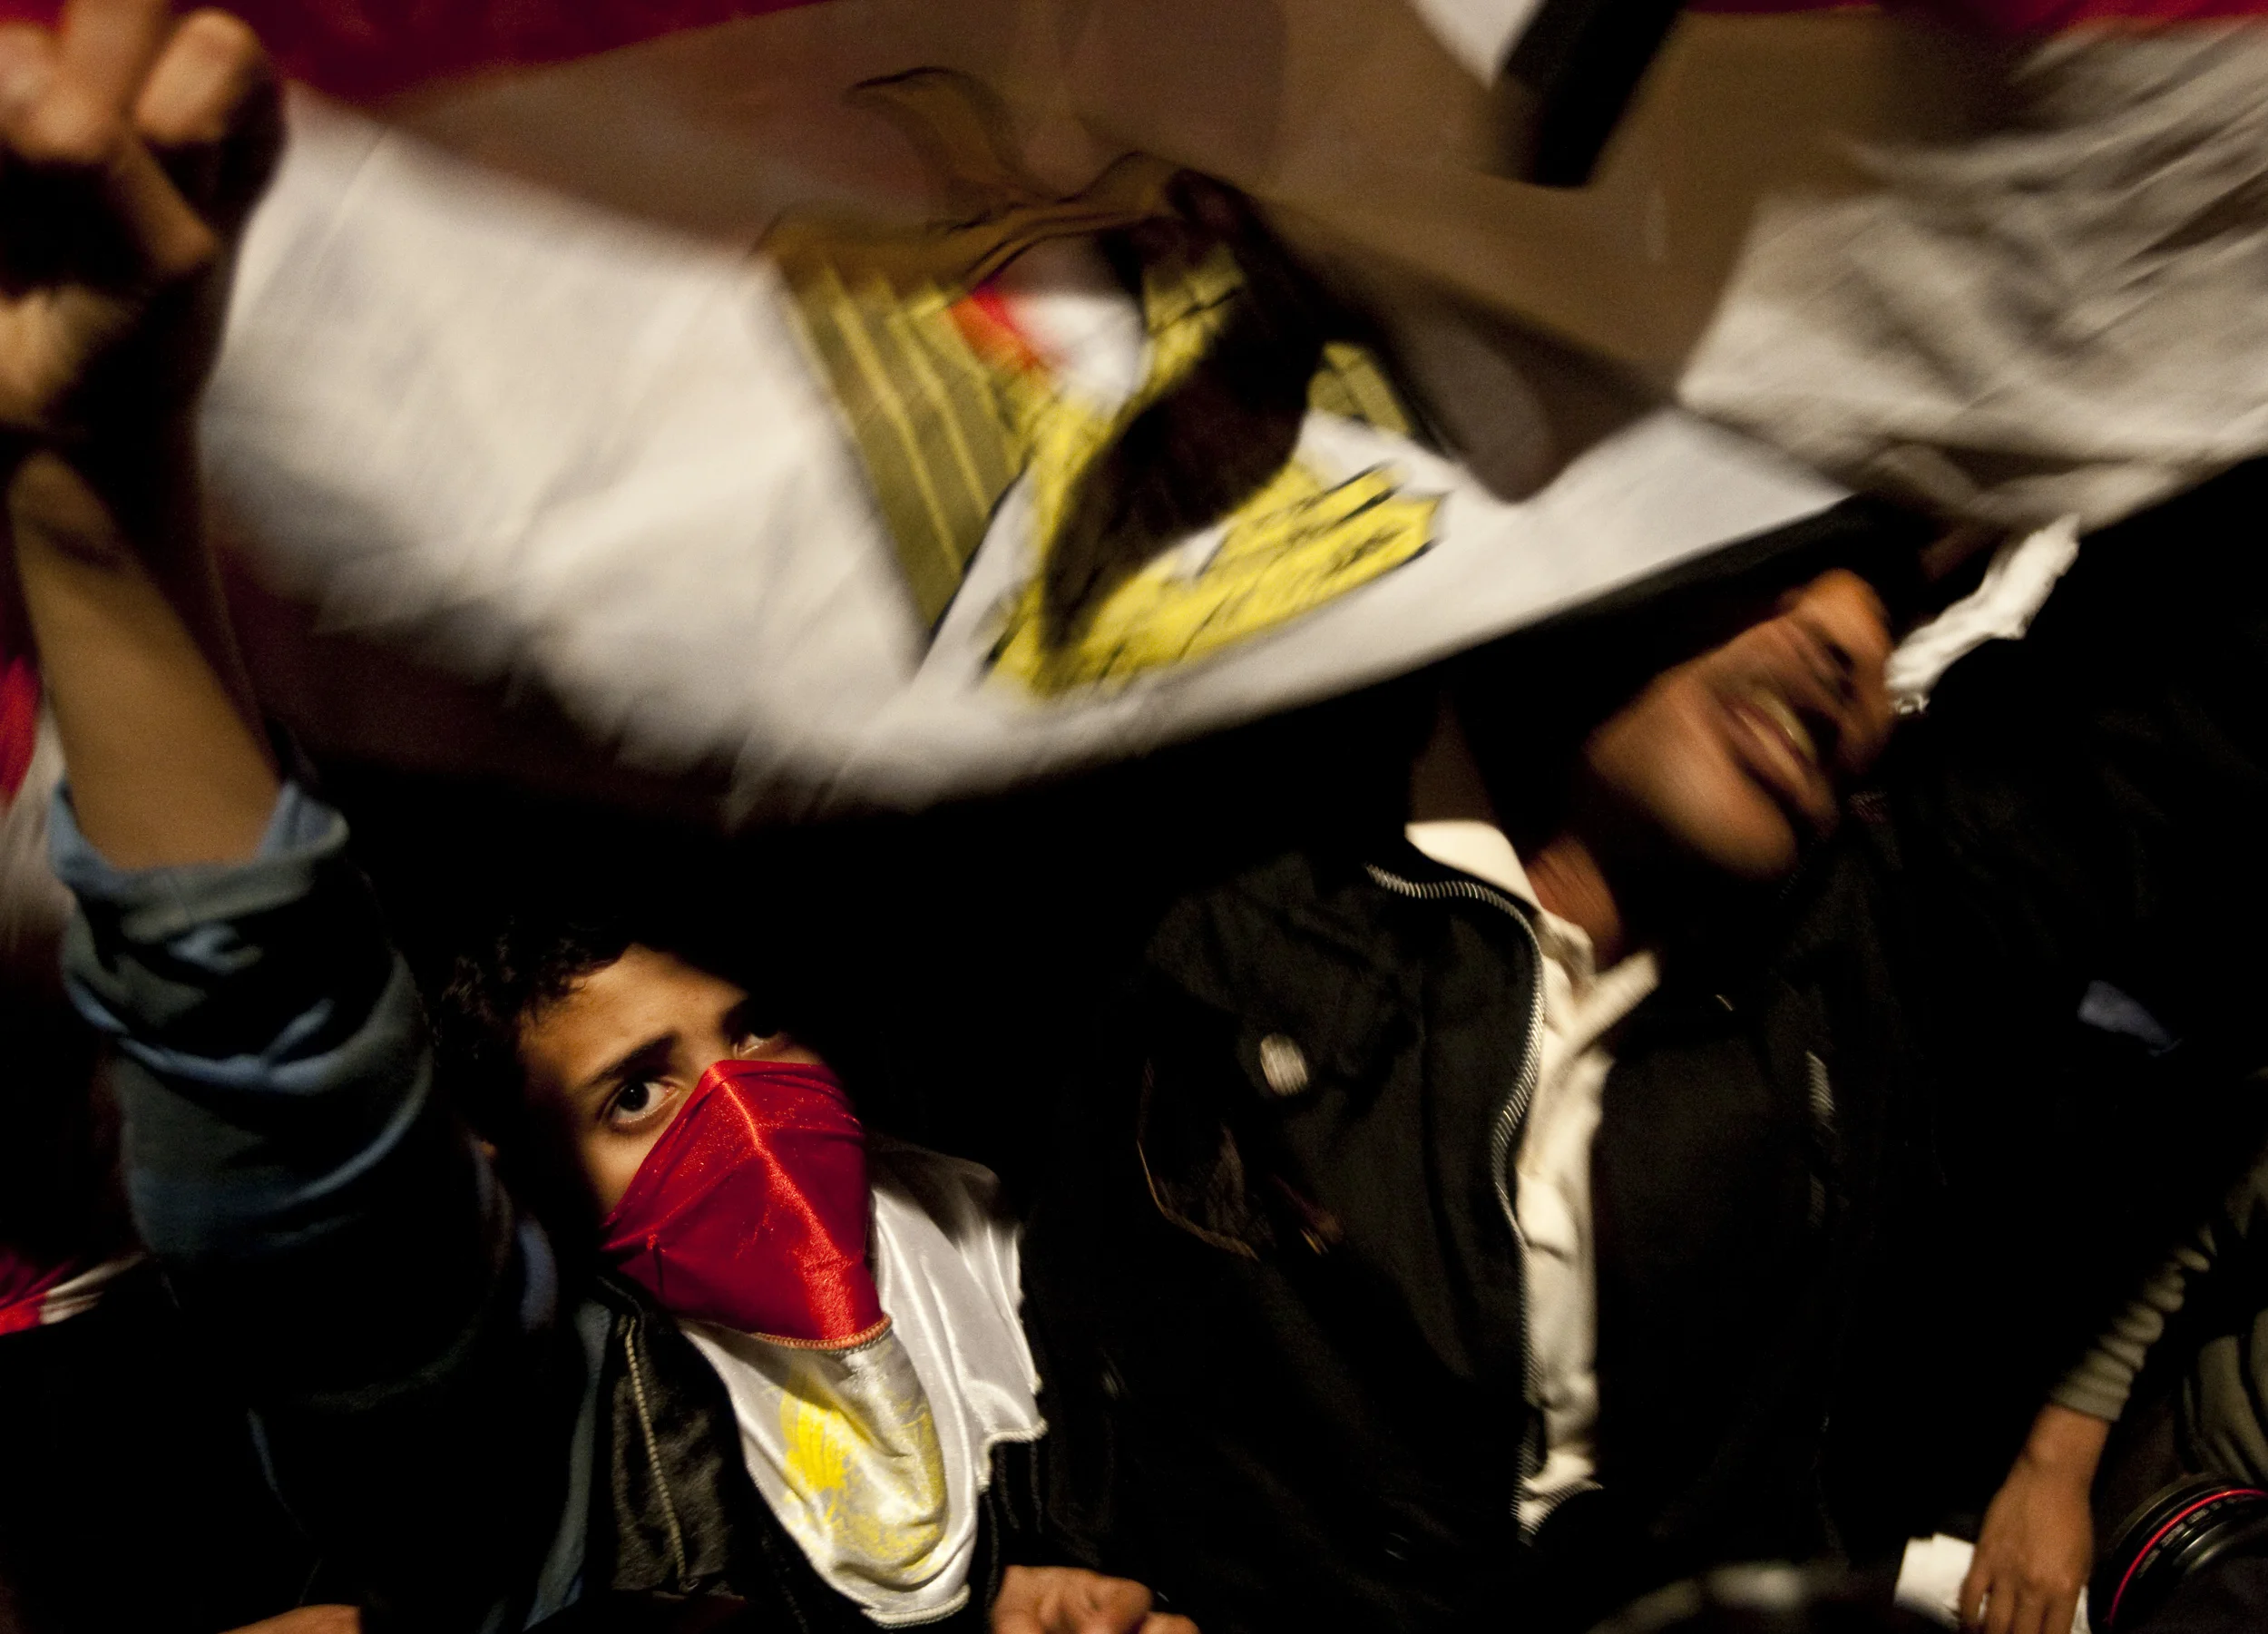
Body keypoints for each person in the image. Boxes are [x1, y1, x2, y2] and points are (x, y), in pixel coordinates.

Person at [0, 4, 1187, 1629]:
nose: (746, 1114)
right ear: (524, 1186)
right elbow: (313, 1176)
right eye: (638, 1094)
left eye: (752, 1034)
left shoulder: (1050, 1279)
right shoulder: (558, 1482)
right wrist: (95, 501)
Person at [1018, 456, 2268, 1634]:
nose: (1851, 640)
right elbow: (999, 1210)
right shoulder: (1228, 844)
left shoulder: (1865, 957)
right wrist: (1048, 1546)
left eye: (1894, 613)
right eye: (1788, 554)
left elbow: (2194, 704)